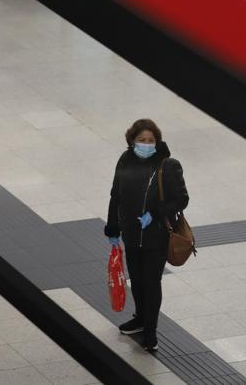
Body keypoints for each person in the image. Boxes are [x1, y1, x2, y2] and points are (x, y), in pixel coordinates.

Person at [103, 118, 189, 353]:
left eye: (151, 140)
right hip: (131, 234)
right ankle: (140, 318)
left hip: (156, 236)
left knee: (152, 282)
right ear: (132, 141)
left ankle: (150, 330)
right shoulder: (125, 160)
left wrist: (155, 213)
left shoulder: (167, 165)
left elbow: (182, 199)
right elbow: (115, 196)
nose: (147, 144)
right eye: (142, 140)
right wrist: (113, 229)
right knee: (137, 281)